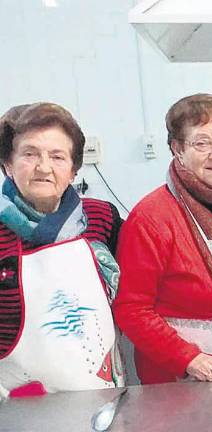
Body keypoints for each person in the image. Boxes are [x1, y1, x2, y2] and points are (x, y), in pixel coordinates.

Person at [113, 94, 212, 384]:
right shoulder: (151, 218)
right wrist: (187, 358)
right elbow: (131, 310)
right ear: (177, 148)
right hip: (183, 387)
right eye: (202, 143)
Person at [0, 103, 124, 396]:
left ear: (73, 169)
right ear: (7, 164)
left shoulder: (102, 218)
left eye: (57, 156)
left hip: (103, 397)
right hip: (18, 407)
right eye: (29, 154)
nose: (43, 167)